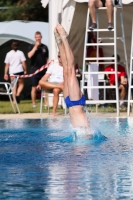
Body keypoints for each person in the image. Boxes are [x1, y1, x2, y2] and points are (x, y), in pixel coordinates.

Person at [54, 24, 89, 130]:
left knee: (68, 71)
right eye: (58, 56)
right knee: (67, 72)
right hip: (74, 103)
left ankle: (62, 40)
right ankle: (61, 40)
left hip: (76, 104)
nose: (59, 58)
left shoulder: (87, 134)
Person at [28, 31, 49, 108]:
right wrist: (35, 47)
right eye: (36, 37)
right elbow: (29, 56)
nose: (38, 38)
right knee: (34, 87)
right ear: (34, 38)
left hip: (43, 70)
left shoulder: (45, 47)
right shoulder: (31, 46)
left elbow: (46, 58)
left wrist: (48, 67)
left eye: (39, 37)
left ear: (41, 37)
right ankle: (34, 103)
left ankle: (46, 103)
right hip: (34, 70)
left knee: (45, 87)